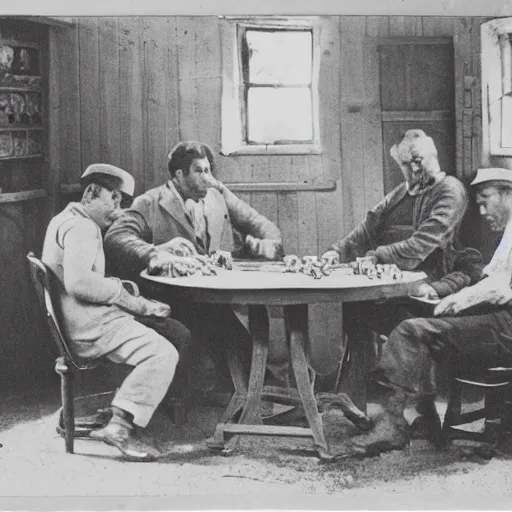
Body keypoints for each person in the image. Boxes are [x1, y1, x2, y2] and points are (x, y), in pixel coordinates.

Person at [319, 129, 479, 430]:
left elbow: (420, 247)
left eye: (419, 161)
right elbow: (368, 224)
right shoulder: (405, 190)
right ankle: (357, 403)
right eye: (406, 164)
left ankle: (420, 409)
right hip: (410, 287)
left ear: (434, 157)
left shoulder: (450, 191)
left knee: (401, 321)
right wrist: (336, 251)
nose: (414, 169)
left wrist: (377, 255)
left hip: (446, 287)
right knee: (356, 310)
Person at [346, 167, 512, 455]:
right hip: (500, 319)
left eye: (486, 199)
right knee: (410, 320)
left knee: (413, 330)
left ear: (508, 194)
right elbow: (494, 279)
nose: (483, 210)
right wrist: (457, 296)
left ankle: (392, 427)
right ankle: (418, 415)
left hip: (506, 327)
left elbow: (499, 288)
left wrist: (462, 298)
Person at [103, 141, 285, 399]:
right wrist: (155, 253)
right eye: (199, 171)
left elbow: (260, 224)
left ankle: (252, 395)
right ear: (179, 175)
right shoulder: (151, 202)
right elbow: (117, 236)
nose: (208, 179)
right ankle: (249, 394)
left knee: (251, 334)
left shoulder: (217, 194)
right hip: (169, 299)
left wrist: (268, 244)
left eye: (209, 171)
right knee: (233, 335)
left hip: (213, 297)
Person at [42, 163, 192, 462]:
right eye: (113, 199)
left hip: (78, 320)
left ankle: (129, 413)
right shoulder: (82, 227)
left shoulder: (66, 219)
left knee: (172, 329)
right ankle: (121, 425)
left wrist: (133, 298)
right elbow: (80, 283)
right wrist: (132, 301)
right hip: (87, 327)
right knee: (165, 352)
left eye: (121, 202)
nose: (117, 209)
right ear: (89, 194)